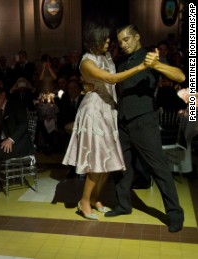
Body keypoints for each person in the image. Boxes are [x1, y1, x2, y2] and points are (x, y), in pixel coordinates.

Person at [62, 24, 149, 220]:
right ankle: (83, 201)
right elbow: (110, 79)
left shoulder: (106, 56)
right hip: (94, 110)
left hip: (109, 110)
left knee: (108, 161)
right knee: (96, 159)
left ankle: (94, 198)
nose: (110, 42)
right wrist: (141, 67)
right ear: (95, 41)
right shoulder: (86, 61)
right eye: (106, 40)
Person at [105, 24, 185, 233]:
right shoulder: (121, 62)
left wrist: (157, 65)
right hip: (122, 123)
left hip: (144, 121)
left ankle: (175, 213)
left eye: (126, 39)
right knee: (121, 167)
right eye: (120, 41)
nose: (123, 44)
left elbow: (180, 76)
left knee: (158, 168)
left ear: (137, 37)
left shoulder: (150, 57)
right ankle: (123, 205)